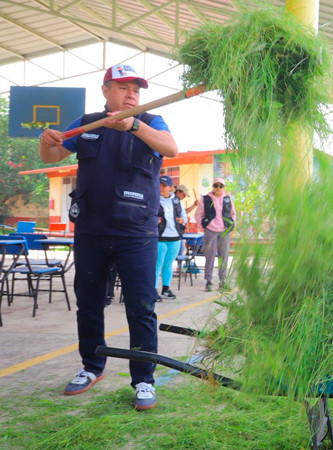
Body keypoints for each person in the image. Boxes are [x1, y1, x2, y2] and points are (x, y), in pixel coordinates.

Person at [38, 64, 179, 411]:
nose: (132, 94)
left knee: (142, 306)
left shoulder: (152, 122)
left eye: (136, 89)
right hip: (90, 229)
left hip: (137, 232)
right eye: (123, 87)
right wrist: (47, 142)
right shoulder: (86, 123)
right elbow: (53, 155)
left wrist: (134, 124)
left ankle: (144, 379)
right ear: (106, 91)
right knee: (88, 302)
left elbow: (171, 148)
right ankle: (91, 366)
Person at [195, 177, 236, 292]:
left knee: (224, 256)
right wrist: (203, 226)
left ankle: (223, 281)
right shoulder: (206, 199)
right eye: (216, 185)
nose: (218, 188)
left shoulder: (227, 199)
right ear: (212, 186)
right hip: (210, 230)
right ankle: (208, 281)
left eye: (221, 186)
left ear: (223, 187)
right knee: (209, 256)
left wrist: (232, 225)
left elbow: (233, 214)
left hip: (224, 231)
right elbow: (198, 214)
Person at [156, 175, 187, 300]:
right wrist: (154, 220)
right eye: (160, 185)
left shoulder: (176, 200)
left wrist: (182, 220)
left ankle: (166, 289)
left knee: (168, 264)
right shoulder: (154, 199)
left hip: (175, 238)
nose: (161, 188)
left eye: (164, 185)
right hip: (160, 237)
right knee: (157, 265)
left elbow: (183, 215)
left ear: (171, 188)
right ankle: (153, 291)